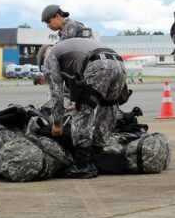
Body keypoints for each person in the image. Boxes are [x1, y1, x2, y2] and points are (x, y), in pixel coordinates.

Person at [44, 37, 128, 178]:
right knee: (108, 110)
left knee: (83, 110)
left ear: (43, 58)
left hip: (98, 65)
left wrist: (57, 123)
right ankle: (94, 160)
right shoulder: (68, 49)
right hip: (119, 63)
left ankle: (82, 165)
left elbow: (56, 92)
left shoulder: (50, 57)